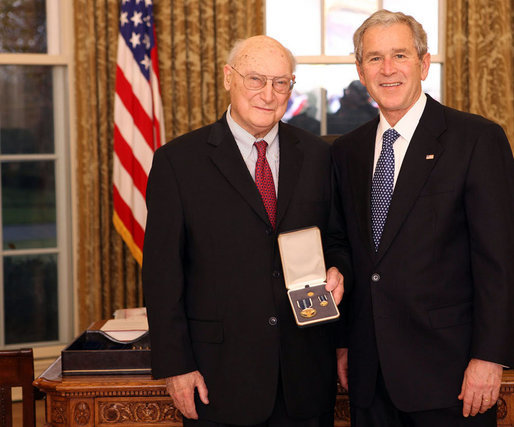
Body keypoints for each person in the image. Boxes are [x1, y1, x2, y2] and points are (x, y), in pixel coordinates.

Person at [142, 35, 351, 426]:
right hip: (218, 378)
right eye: (255, 79)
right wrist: (176, 366)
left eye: (280, 82)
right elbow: (161, 275)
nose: (268, 94)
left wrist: (339, 270)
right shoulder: (178, 162)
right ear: (228, 78)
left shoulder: (321, 156)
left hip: (305, 375)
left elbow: (337, 240)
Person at [330, 9, 514, 427]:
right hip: (368, 375)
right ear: (360, 70)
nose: (388, 69)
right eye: (375, 58)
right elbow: (347, 250)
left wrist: (489, 357)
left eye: (400, 55)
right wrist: (343, 343)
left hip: (450, 377)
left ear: (424, 63)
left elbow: (500, 260)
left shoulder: (476, 140)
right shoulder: (346, 152)